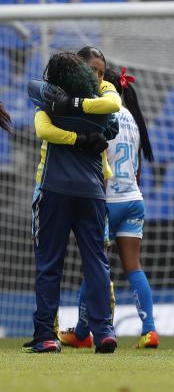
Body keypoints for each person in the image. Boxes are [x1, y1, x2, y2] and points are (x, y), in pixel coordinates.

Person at [23, 50, 120, 353]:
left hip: (55, 189)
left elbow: (42, 127)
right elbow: (113, 114)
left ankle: (45, 335)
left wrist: (69, 121)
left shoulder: (50, 103)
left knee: (49, 263)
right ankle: (103, 331)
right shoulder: (100, 106)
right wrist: (85, 134)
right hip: (92, 192)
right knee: (96, 263)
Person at [58, 66, 159, 350]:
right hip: (134, 199)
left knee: (96, 266)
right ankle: (149, 330)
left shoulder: (103, 114)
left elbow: (98, 159)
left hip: (106, 199)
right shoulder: (133, 119)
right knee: (134, 267)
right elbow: (138, 168)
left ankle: (81, 332)